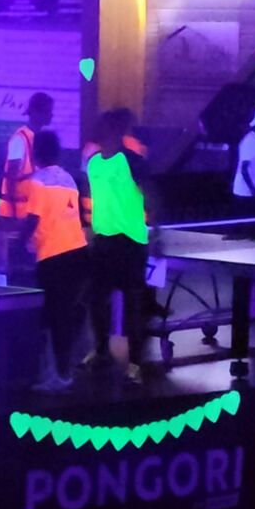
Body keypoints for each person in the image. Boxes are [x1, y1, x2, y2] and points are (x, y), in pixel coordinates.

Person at [85, 108, 155, 385]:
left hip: (131, 242)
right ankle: (102, 351)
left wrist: (157, 231)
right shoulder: (93, 164)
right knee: (96, 299)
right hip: (103, 241)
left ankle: (135, 364)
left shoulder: (133, 162)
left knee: (133, 305)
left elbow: (151, 194)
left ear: (116, 132)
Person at [18, 131, 90, 393]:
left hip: (53, 256)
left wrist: (19, 243)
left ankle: (58, 376)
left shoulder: (38, 181)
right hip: (78, 253)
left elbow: (34, 218)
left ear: (35, 153)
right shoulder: (68, 178)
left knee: (54, 317)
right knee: (65, 315)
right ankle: (63, 371)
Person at [1, 92, 54, 218]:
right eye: (47, 111)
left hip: (30, 212)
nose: (51, 115)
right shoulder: (20, 139)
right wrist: (13, 214)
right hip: (16, 213)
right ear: (35, 112)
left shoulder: (40, 138)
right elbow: (11, 177)